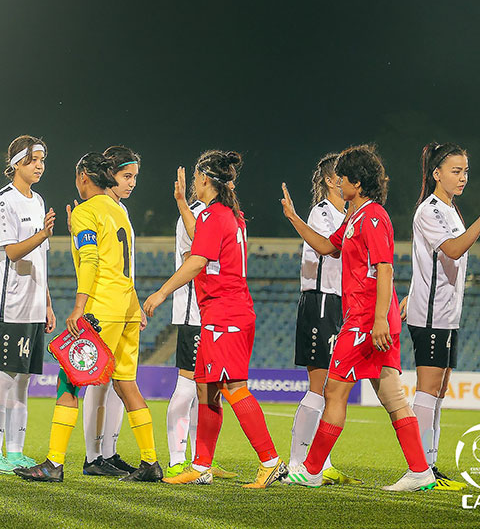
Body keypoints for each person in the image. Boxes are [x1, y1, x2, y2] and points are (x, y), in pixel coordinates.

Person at [281, 144, 435, 491]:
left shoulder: (374, 216)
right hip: (368, 318)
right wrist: (293, 218)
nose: (339, 182)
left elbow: (385, 268)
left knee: (334, 390)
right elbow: (327, 247)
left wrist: (379, 319)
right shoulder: (355, 217)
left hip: (367, 320)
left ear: (357, 182)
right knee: (392, 397)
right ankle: (420, 471)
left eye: (343, 177)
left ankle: (311, 470)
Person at [15, 152, 162, 483]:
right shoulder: (119, 211)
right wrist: (135, 305)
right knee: (126, 383)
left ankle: (54, 463)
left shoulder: (86, 211)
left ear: (83, 176)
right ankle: (150, 462)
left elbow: (92, 261)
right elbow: (120, 260)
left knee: (68, 380)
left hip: (101, 309)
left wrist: (79, 306)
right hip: (127, 309)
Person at [144, 150, 286, 489]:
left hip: (226, 314)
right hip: (224, 312)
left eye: (196, 177)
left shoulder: (213, 215)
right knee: (207, 389)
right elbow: (202, 235)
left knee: (233, 387)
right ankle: (201, 465)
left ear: (206, 179)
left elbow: (197, 260)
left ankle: (270, 461)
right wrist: (182, 203)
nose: (194, 182)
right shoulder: (229, 216)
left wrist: (161, 292)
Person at [401, 142, 480, 491]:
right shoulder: (430, 210)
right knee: (428, 391)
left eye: (465, 171)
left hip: (447, 314)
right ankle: (419, 469)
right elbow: (453, 250)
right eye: (456, 171)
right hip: (430, 316)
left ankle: (430, 465)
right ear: (437, 173)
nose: (463, 177)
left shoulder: (450, 210)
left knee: (439, 391)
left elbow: (430, 262)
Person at [0, 136, 56, 474]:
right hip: (9, 303)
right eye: (33, 160)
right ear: (16, 164)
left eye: (42, 160)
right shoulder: (3, 200)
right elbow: (11, 251)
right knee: (3, 376)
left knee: (23, 379)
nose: (39, 166)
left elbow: (40, 259)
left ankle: (14, 452)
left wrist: (47, 304)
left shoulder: (37, 200)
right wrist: (42, 235)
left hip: (33, 304)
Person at [288, 153, 360, 485]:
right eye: (342, 176)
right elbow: (333, 247)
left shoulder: (345, 213)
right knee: (319, 387)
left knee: (330, 388)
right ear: (331, 181)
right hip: (320, 301)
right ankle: (297, 462)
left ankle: (320, 461)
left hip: (338, 302)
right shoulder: (322, 212)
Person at [163, 166, 236, 479]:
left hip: (215, 314)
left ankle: (201, 460)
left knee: (209, 390)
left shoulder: (221, 214)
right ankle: (177, 458)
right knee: (188, 386)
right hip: (195, 313)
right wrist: (181, 202)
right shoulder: (193, 213)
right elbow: (196, 254)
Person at [81, 146, 146, 476]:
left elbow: (126, 266)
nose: (131, 183)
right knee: (99, 382)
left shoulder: (120, 210)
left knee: (118, 382)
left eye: (134, 177)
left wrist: (135, 302)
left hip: (122, 305)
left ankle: (108, 452)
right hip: (103, 306)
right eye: (126, 176)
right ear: (110, 175)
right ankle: (93, 456)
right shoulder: (100, 210)